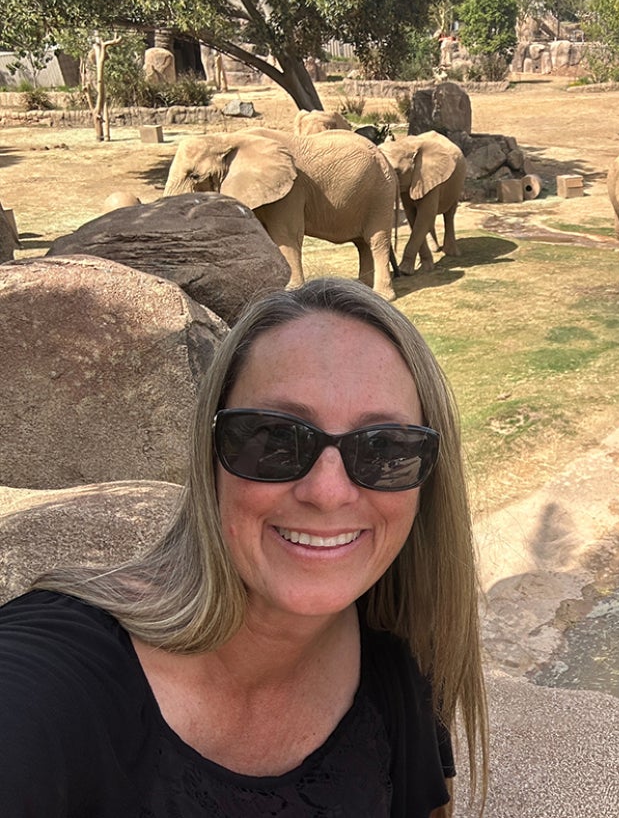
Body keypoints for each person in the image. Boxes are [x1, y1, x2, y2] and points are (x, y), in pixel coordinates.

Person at [0, 277, 487, 816]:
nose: (327, 493)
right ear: (210, 456)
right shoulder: (52, 676)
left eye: (385, 447)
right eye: (275, 438)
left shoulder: (398, 651)